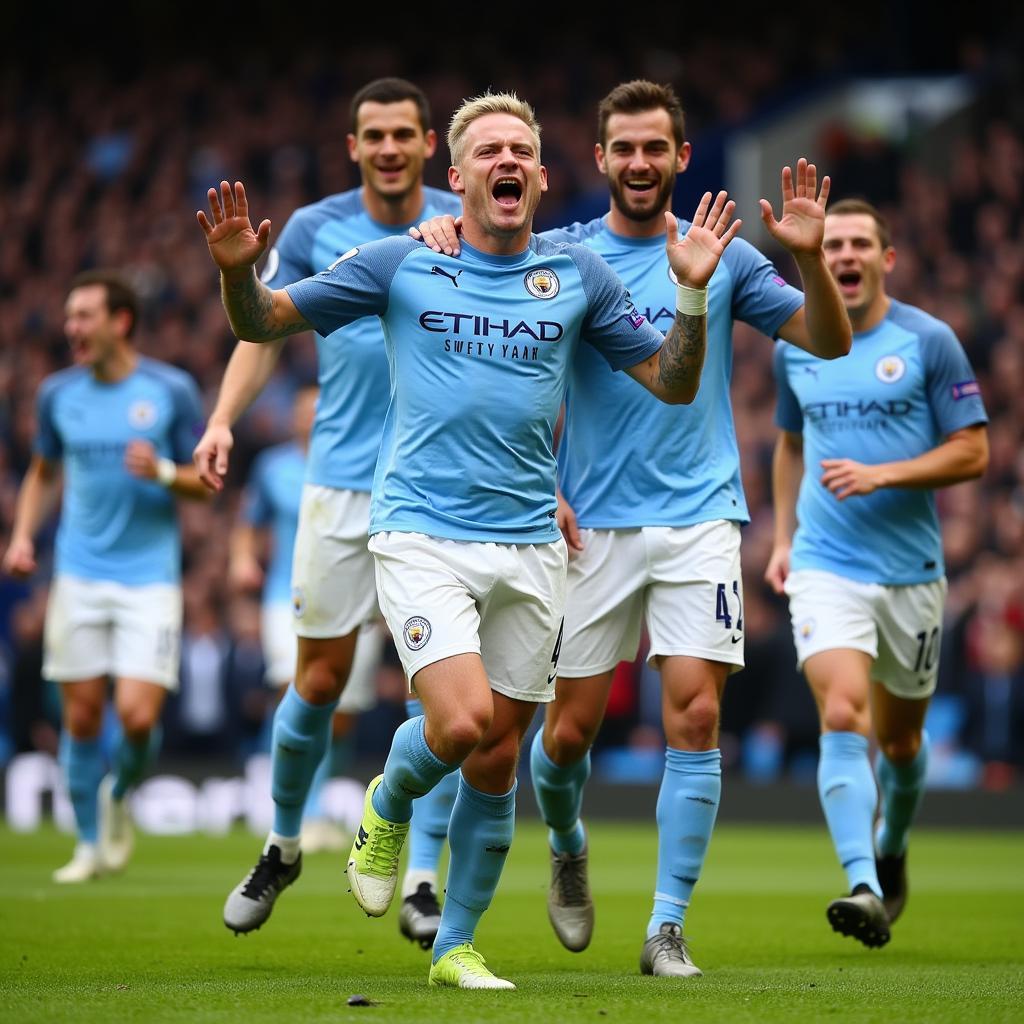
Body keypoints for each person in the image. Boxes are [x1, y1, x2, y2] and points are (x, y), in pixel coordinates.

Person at [197, 91, 738, 989]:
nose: (506, 161)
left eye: (520, 149)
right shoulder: (397, 264)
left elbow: (672, 384)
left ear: (540, 172)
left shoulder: (575, 277)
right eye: (487, 151)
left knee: (496, 763)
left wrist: (688, 291)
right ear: (458, 180)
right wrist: (232, 276)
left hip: (531, 545)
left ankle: (456, 945)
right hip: (420, 533)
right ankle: (386, 800)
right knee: (457, 722)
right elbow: (266, 322)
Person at [413, 80, 851, 977]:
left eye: (658, 148)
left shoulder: (719, 256)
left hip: (701, 518)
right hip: (589, 530)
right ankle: (568, 842)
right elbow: (497, 339)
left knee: (695, 716)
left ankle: (665, 926)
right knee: (564, 736)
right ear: (601, 156)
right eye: (626, 148)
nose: (642, 162)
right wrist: (440, 233)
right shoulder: (562, 255)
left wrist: (809, 259)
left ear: (682, 158)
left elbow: (828, 341)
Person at [194, 78, 463, 944]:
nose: (388, 148)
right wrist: (222, 420)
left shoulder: (472, 221)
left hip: (444, 489)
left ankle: (423, 877)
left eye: (403, 134)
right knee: (315, 681)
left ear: (429, 143)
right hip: (341, 486)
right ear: (353, 146)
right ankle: (281, 844)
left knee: (444, 692)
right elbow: (264, 329)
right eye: (373, 135)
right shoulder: (315, 228)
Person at [765, 198, 989, 947]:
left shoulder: (929, 341)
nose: (846, 255)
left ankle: (892, 846)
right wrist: (784, 538)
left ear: (886, 259)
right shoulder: (795, 342)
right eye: (833, 245)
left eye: (860, 243)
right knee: (840, 715)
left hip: (912, 575)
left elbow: (973, 452)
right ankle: (861, 880)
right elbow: (789, 446)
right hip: (828, 564)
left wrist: (884, 473)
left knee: (899, 743)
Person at [2, 270, 207, 882]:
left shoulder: (171, 390)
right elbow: (42, 471)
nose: (72, 327)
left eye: (84, 315)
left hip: (150, 579)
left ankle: (120, 796)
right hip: (79, 575)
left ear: (121, 322)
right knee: (82, 717)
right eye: (70, 316)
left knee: (139, 717)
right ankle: (89, 844)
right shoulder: (57, 395)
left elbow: (206, 481)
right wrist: (20, 537)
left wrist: (166, 473)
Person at [230, 383, 371, 852]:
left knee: (342, 713)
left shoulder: (362, 463)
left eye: (318, 410)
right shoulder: (274, 467)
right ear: (293, 419)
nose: (310, 419)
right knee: (295, 691)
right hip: (284, 596)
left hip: (353, 594)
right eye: (303, 411)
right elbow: (249, 522)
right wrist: (243, 560)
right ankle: (297, 811)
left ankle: (317, 801)